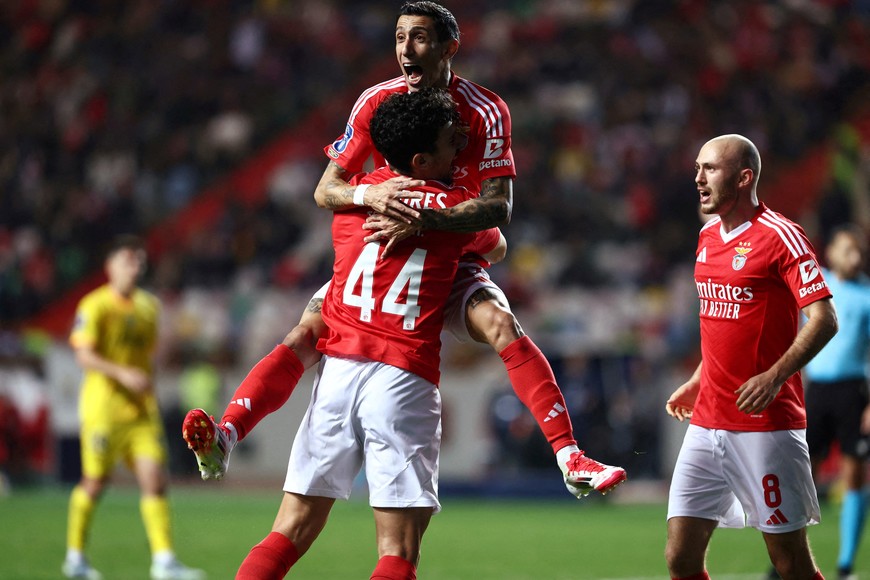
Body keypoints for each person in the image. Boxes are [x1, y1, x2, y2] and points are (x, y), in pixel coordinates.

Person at [183, 0, 625, 499]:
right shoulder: (376, 100)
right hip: (390, 251)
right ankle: (227, 434)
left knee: (502, 324)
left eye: (418, 38)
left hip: (452, 246)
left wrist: (427, 222)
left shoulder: (485, 110)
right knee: (307, 331)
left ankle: (570, 456)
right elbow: (326, 188)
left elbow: (498, 209)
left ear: (448, 47)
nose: (405, 50)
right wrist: (368, 194)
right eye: (398, 38)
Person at [234, 88, 504, 579]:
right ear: (424, 159)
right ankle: (568, 452)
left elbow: (329, 190)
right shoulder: (450, 204)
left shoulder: (353, 200)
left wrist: (362, 190)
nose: (458, 151)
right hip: (402, 376)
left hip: (337, 371)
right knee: (398, 549)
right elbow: (497, 241)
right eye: (450, 144)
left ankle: (231, 425)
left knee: (287, 531)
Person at [664, 134, 839, 580]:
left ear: (745, 178)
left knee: (790, 564)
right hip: (707, 422)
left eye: (711, 169)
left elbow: (824, 319)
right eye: (698, 168)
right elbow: (722, 323)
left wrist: (775, 376)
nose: (698, 179)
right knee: (680, 559)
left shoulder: (782, 236)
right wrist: (700, 378)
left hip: (766, 425)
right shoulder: (706, 236)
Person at [63, 235, 205, 580]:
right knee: (95, 482)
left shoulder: (148, 308)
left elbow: (151, 356)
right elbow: (83, 354)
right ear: (110, 266)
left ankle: (163, 560)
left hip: (141, 412)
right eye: (128, 260)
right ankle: (75, 557)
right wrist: (123, 373)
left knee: (155, 481)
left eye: (139, 261)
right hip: (104, 410)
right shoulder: (94, 306)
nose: (135, 267)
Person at [803, 225, 870, 580]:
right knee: (802, 475)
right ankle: (789, 557)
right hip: (817, 390)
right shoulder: (816, 285)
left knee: (855, 475)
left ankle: (845, 564)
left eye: (858, 250)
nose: (854, 256)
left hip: (853, 392)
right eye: (847, 249)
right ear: (831, 252)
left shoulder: (867, 297)